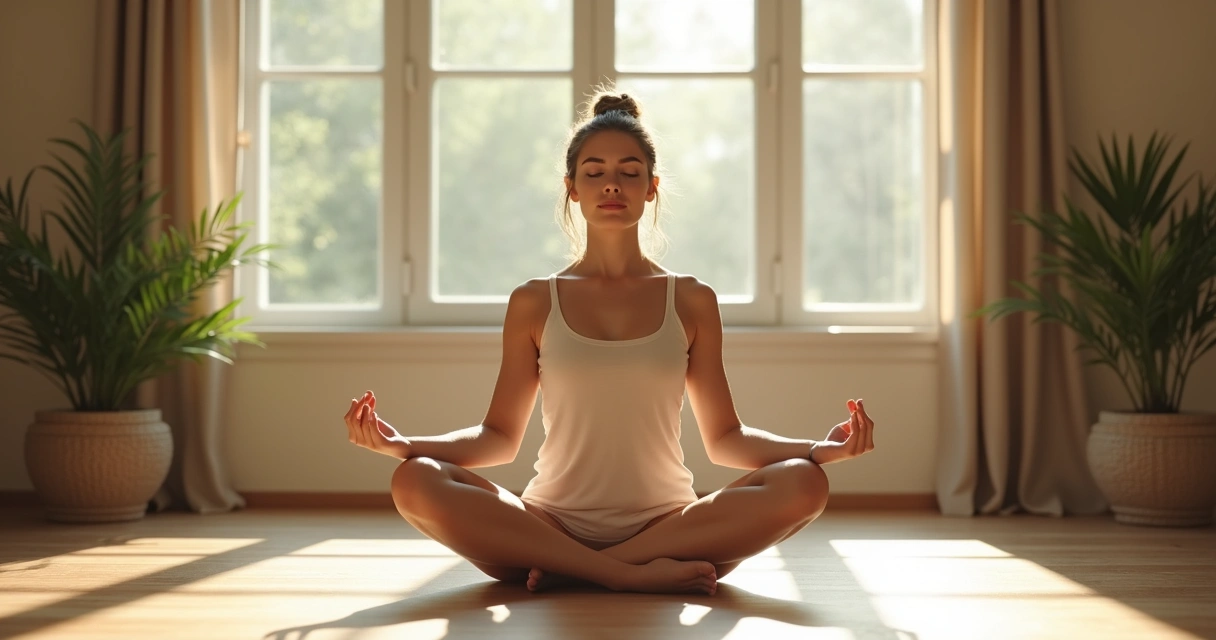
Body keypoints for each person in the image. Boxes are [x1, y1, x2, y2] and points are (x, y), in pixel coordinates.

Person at [342, 90, 876, 596]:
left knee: (806, 484)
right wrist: (404, 445)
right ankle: (621, 574)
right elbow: (499, 438)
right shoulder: (534, 301)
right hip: (547, 523)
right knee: (414, 480)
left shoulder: (691, 300)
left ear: (652, 186)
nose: (612, 185)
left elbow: (726, 439)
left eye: (629, 172)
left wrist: (814, 450)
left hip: (671, 526)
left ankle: (583, 571)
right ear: (572, 187)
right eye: (594, 173)